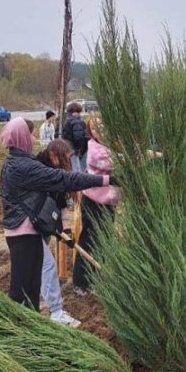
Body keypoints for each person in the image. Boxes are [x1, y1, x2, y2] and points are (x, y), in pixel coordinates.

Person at [0, 117, 114, 311]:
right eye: (30, 134)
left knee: (30, 281)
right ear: (20, 137)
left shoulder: (17, 162)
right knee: (34, 278)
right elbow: (64, 179)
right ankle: (52, 312)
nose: (34, 138)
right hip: (25, 231)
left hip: (29, 227)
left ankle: (32, 313)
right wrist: (106, 180)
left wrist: (64, 228)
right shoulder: (26, 166)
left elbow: (56, 199)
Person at [35, 139, 81, 327]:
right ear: (54, 155)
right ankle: (55, 311)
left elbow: (60, 201)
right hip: (33, 223)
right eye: (64, 159)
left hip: (46, 222)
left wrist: (62, 229)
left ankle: (39, 295)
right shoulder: (38, 169)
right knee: (48, 265)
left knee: (39, 262)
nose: (66, 163)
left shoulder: (57, 171)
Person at [73, 114, 119, 295]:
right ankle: (81, 283)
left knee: (104, 240)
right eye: (94, 128)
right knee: (89, 240)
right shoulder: (95, 149)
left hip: (108, 203)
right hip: (94, 202)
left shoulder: (109, 145)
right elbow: (119, 161)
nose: (98, 131)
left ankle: (97, 278)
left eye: (101, 127)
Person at [61, 102, 89, 171]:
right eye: (79, 112)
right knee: (77, 168)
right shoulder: (76, 122)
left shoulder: (67, 121)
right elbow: (78, 137)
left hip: (68, 148)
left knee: (72, 167)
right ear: (75, 112)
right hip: (75, 149)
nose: (80, 114)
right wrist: (81, 149)